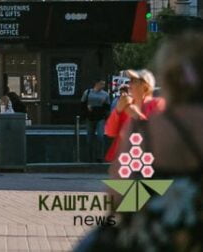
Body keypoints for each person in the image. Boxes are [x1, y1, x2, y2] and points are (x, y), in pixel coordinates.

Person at [76, 32, 203, 250]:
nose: (130, 84)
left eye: (135, 81)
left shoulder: (150, 126)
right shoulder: (132, 109)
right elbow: (110, 130)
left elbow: (119, 193)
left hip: (158, 239)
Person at [105, 68, 166, 162]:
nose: (129, 84)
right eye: (129, 81)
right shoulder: (126, 104)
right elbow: (110, 132)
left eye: (133, 81)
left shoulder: (157, 103)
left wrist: (136, 115)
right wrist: (117, 111)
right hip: (125, 159)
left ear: (145, 86)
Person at [81, 79, 110, 161]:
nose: (103, 86)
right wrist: (86, 109)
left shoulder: (105, 94)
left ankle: (99, 156)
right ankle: (90, 156)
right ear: (96, 84)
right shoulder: (88, 92)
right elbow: (82, 103)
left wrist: (106, 117)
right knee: (89, 138)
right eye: (101, 84)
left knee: (100, 136)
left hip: (100, 117)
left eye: (104, 84)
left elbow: (107, 107)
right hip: (90, 117)